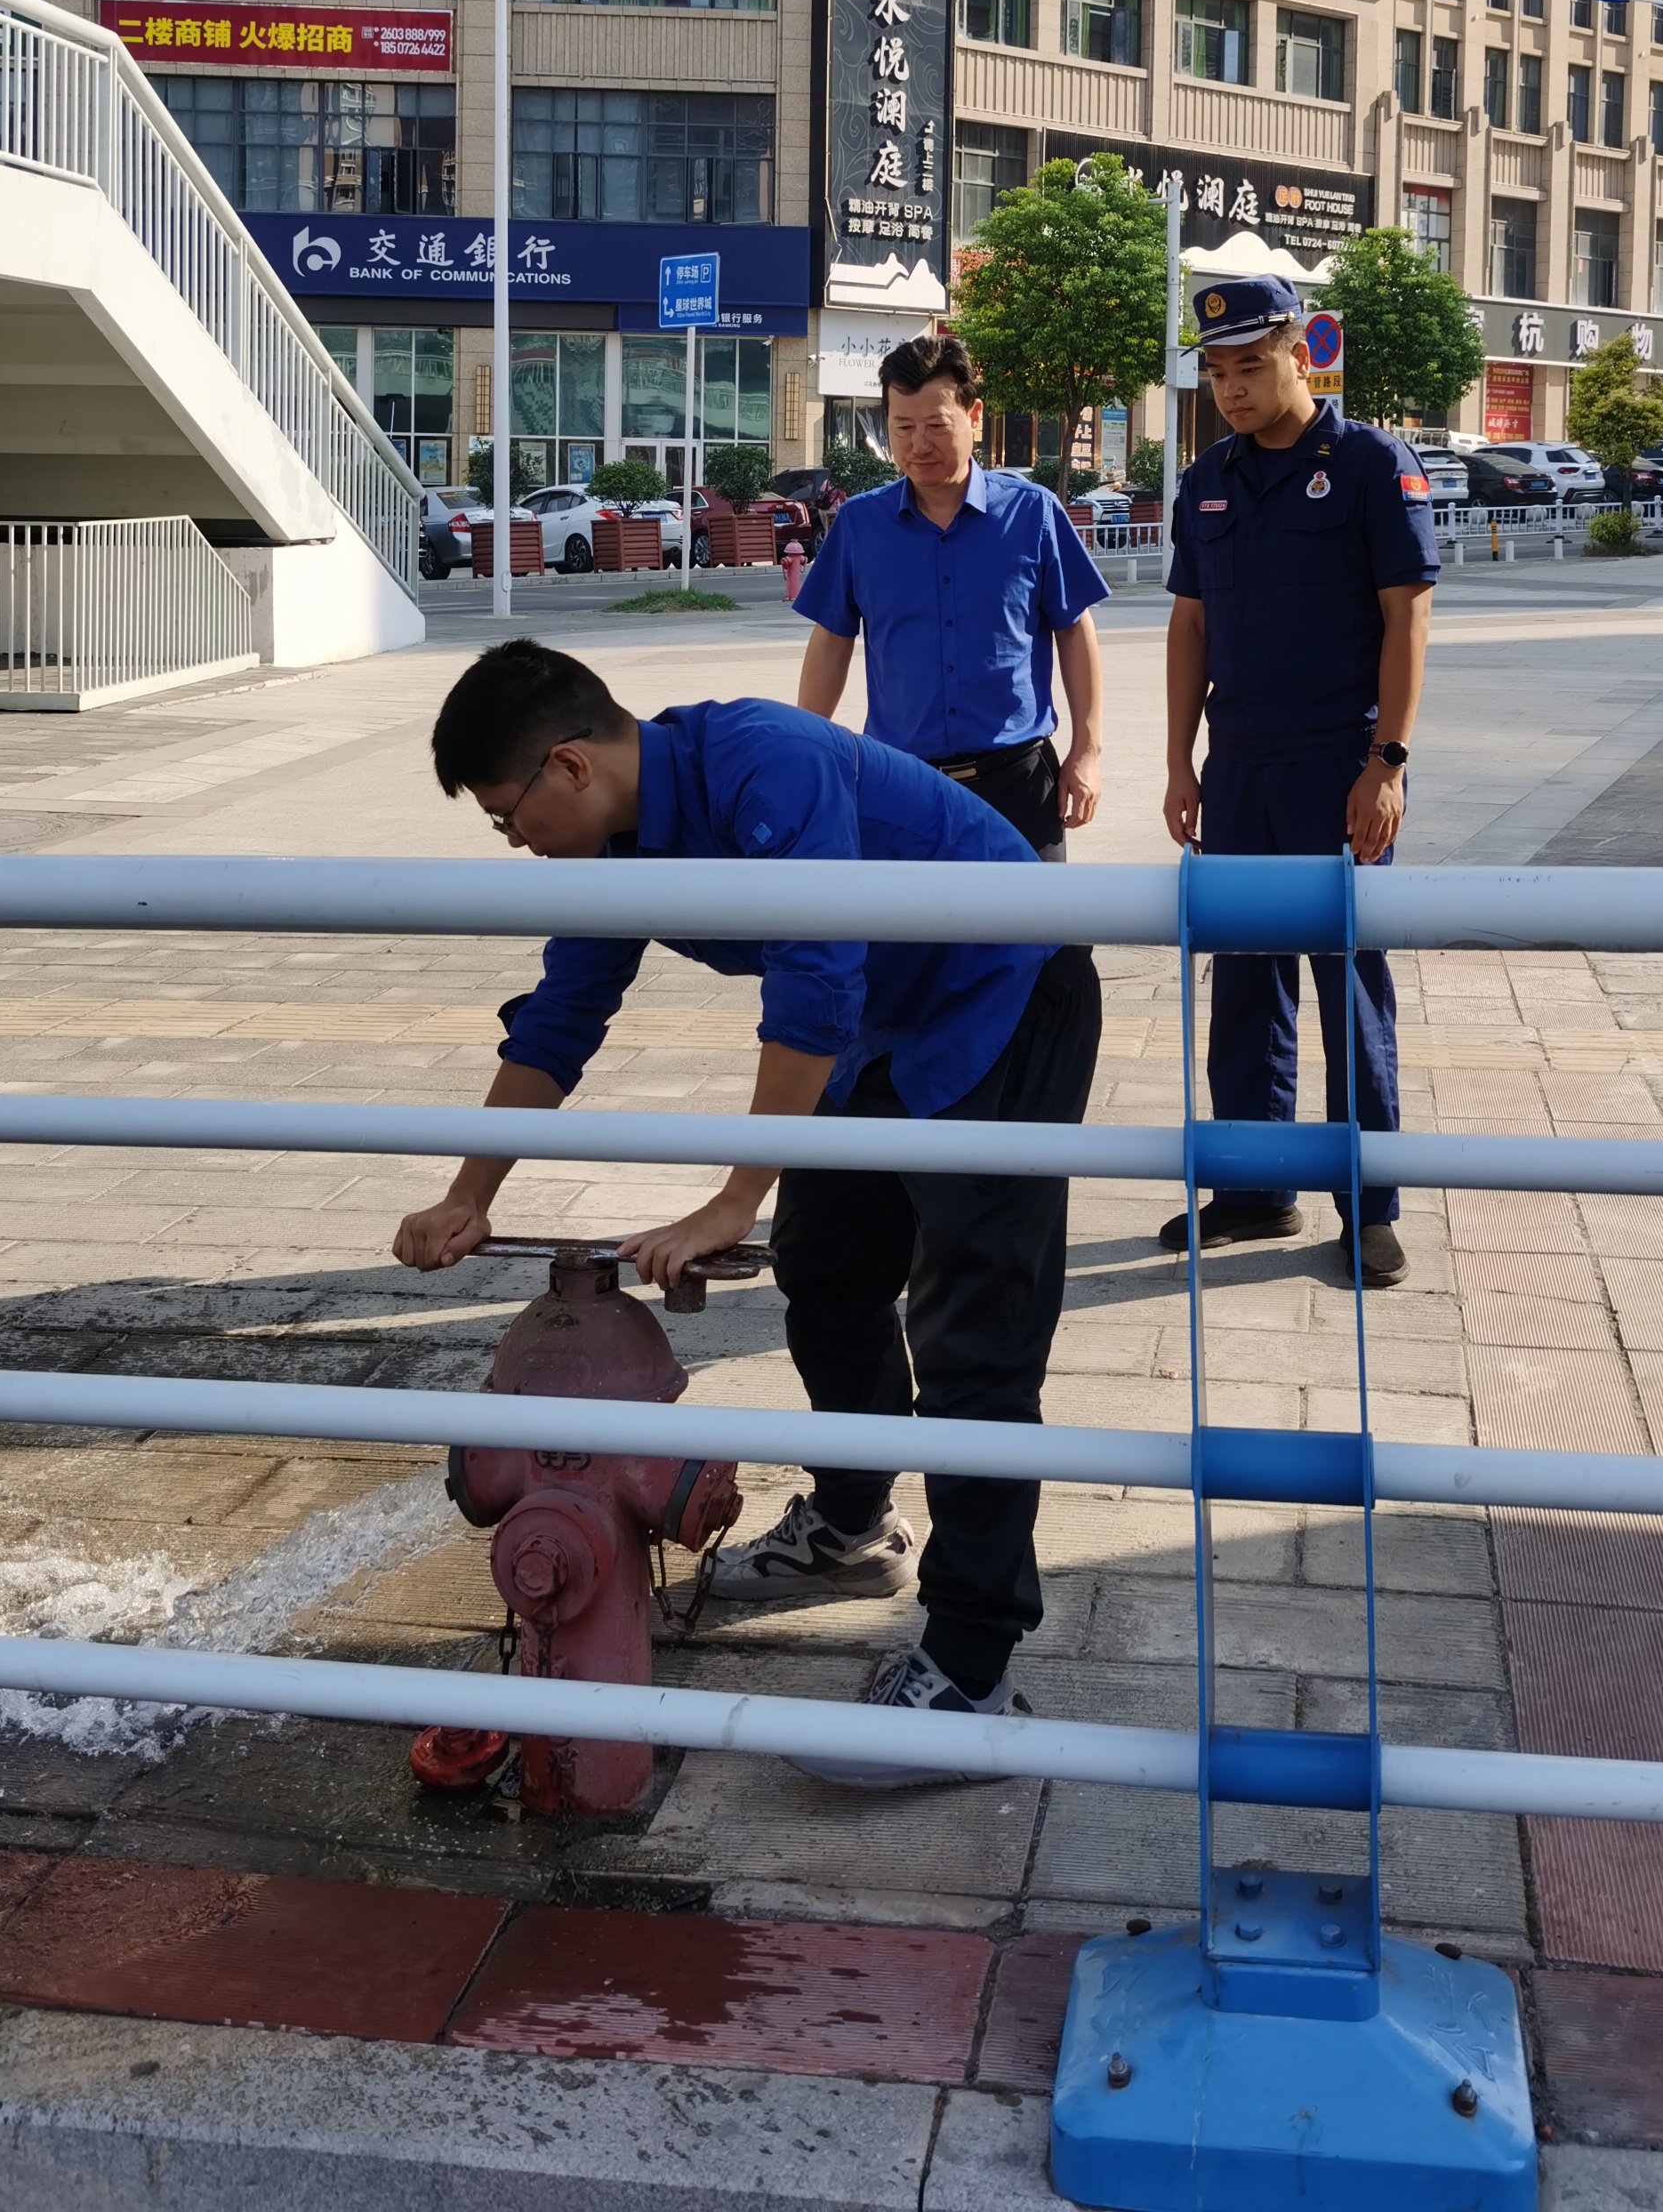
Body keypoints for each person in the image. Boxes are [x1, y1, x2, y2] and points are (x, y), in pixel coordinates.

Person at [394, 639, 1101, 1782]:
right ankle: (854, 1526)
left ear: (569, 766)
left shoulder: (764, 762)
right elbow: (562, 1018)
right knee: (825, 1267)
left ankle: (974, 1672)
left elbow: (815, 980)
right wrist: (465, 1197)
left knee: (975, 1336)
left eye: (507, 819)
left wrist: (733, 1199)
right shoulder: (617, 847)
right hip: (884, 1026)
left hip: (1003, 993)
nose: (515, 844)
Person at [1161, 277, 1435, 1284]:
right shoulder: (1208, 478)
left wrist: (1387, 763)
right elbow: (1191, 625)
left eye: (1251, 366)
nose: (1233, 389)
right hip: (1237, 768)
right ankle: (1251, 1191)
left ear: (1300, 356)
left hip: (1339, 766)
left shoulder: (1369, 464)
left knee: (1348, 987)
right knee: (1242, 984)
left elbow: (1407, 616)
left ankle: (1368, 1206)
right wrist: (1178, 761)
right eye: (1217, 373)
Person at [794, 331, 1109, 857]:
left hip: (1018, 782)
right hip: (901, 787)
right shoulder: (860, 525)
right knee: (905, 916)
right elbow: (831, 643)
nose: (919, 444)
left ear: (974, 415)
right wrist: (805, 753)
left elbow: (1075, 631)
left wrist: (1087, 751)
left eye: (936, 426)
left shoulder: (1032, 514)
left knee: (1041, 915)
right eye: (903, 427)